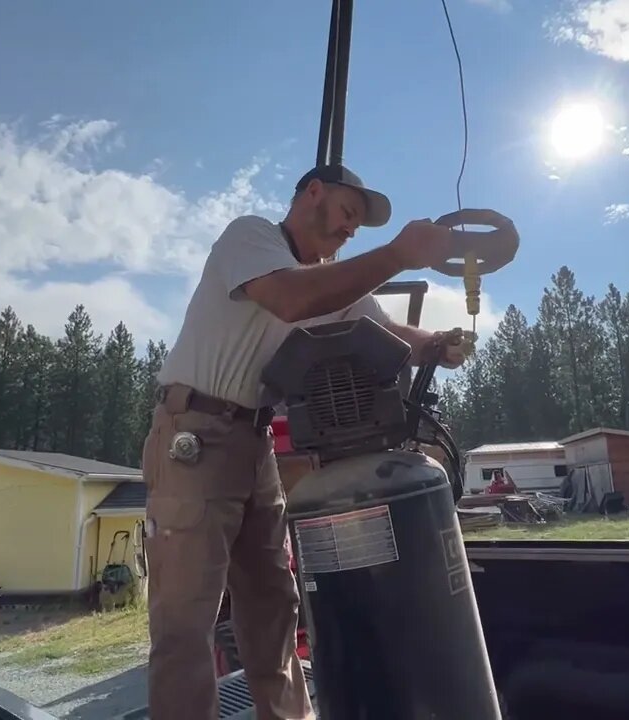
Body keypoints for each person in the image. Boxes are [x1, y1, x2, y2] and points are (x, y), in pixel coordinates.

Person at [143, 163, 476, 720]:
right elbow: (290, 299)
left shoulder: (329, 280)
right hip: (194, 437)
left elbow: (386, 333)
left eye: (358, 227)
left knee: (273, 610)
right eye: (348, 213)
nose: (351, 231)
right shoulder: (251, 238)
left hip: (256, 447)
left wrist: (436, 342)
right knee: (185, 624)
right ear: (313, 194)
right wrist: (396, 254)